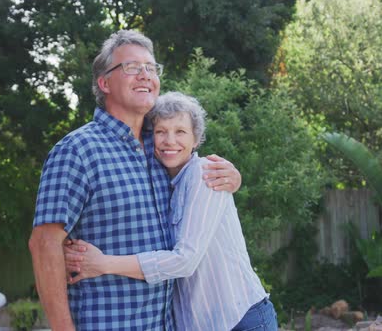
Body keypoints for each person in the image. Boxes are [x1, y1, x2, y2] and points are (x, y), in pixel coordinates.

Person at [29, 30, 242, 331]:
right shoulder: (77, 151)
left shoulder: (161, 149)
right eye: (131, 67)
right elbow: (44, 244)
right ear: (104, 83)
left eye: (151, 68)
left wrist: (233, 178)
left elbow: (199, 187)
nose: (145, 75)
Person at [64, 92, 278, 331]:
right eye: (160, 131)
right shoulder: (163, 183)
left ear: (196, 139)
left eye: (180, 132)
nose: (170, 140)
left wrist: (103, 263)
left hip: (241, 320)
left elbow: (185, 261)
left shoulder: (205, 174)